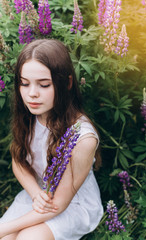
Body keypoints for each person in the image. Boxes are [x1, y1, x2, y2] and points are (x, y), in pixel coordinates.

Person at [0, 39, 104, 240]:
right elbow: (18, 161)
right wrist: (34, 192)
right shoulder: (29, 115)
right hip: (39, 194)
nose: (32, 94)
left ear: (67, 83)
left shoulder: (82, 137)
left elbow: (59, 203)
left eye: (44, 84)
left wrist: (5, 228)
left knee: (27, 238)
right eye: (24, 83)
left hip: (71, 204)